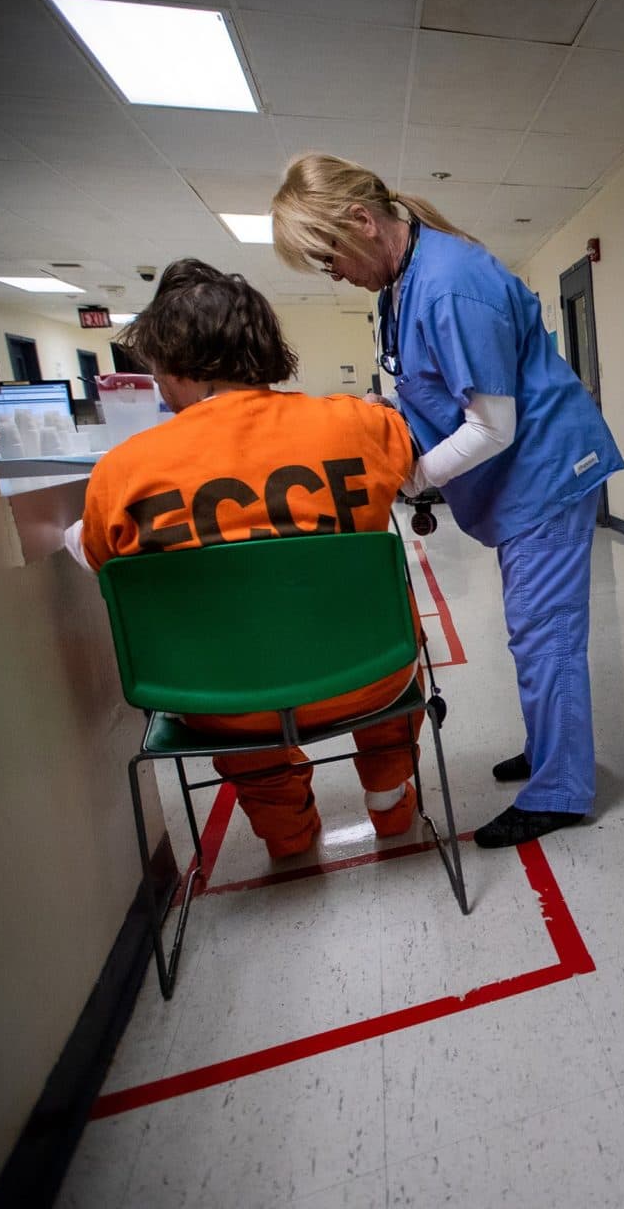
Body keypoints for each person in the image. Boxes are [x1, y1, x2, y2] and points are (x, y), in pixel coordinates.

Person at [271, 154, 624, 849]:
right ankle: (553, 749)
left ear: (362, 223)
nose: (333, 273)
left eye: (328, 257)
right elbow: (429, 385)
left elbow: (493, 426)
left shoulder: (449, 286)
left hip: (546, 473)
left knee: (543, 633)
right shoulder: (400, 287)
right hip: (518, 480)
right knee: (532, 631)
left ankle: (560, 789)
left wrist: (415, 480)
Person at [64, 260, 423, 859]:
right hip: (369, 681)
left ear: (174, 362)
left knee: (227, 671)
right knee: (382, 621)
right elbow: (414, 467)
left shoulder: (122, 471)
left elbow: (101, 561)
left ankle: (286, 835)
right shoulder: (359, 425)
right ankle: (389, 800)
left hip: (226, 706)